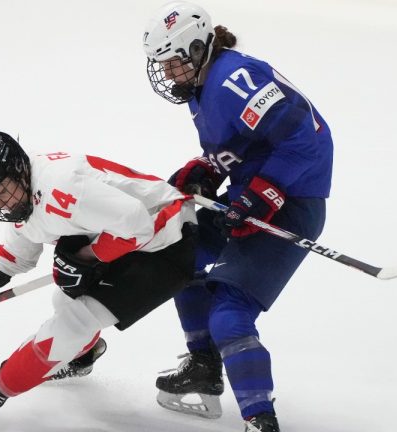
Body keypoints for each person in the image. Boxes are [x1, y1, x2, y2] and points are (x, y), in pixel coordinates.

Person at [142, 2, 334, 432]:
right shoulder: (205, 86)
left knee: (229, 313)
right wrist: (210, 169)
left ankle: (259, 419)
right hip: (253, 195)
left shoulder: (232, 80)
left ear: (196, 49)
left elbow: (309, 139)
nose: (169, 74)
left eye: (174, 63)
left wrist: (263, 193)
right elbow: (251, 142)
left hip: (294, 204)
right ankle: (204, 368)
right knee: (179, 253)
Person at [0, 130, 200, 432]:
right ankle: (82, 356)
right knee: (66, 300)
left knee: (73, 323)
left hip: (167, 240)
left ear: (18, 171)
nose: (0, 201)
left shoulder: (62, 187)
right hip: (126, 237)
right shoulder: (26, 191)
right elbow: (19, 250)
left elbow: (137, 223)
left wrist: (87, 256)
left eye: (2, 190)